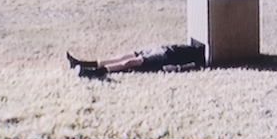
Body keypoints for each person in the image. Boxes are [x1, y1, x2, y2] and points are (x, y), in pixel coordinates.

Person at [66, 43, 206, 78]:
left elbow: (181, 68)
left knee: (128, 63)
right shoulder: (195, 49)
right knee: (120, 57)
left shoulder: (197, 57)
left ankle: (95, 72)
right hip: (160, 50)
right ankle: (80, 63)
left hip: (162, 57)